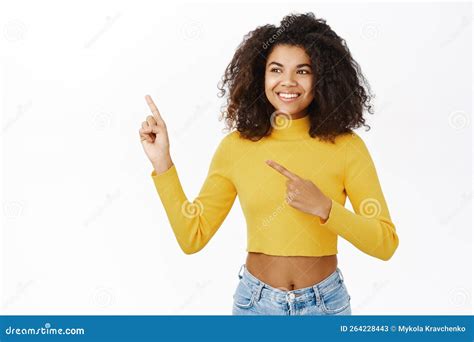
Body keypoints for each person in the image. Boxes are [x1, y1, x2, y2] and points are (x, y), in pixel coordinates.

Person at [139, 12, 399, 315]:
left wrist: (326, 208)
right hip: (255, 305)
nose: (288, 81)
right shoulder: (236, 147)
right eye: (276, 69)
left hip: (325, 306)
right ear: (260, 76)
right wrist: (162, 163)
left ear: (322, 78)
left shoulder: (347, 147)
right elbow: (192, 236)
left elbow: (386, 243)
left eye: (303, 71)